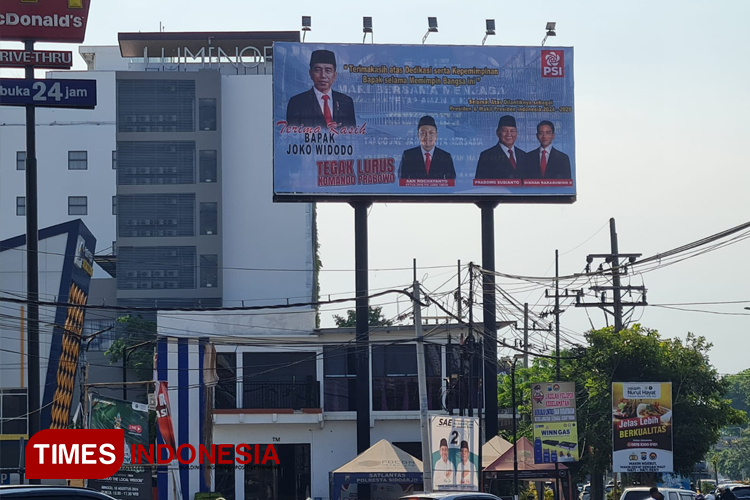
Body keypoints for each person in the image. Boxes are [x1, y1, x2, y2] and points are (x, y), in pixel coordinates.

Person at [286, 49, 356, 129]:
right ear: (310, 74)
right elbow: (292, 136)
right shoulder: (297, 102)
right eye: (318, 70)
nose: (323, 75)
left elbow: (352, 135)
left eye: (328, 70)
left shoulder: (346, 102)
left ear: (335, 75)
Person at [398, 116, 456, 181]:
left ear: (436, 135)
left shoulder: (446, 157)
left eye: (431, 133)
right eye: (423, 133)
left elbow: (451, 182)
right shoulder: (407, 155)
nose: (427, 136)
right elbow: (402, 181)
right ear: (418, 135)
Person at [474, 115, 528, 180]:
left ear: (516, 133)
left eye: (512, 131)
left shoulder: (524, 155)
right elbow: (480, 184)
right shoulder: (486, 155)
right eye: (505, 131)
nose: (509, 134)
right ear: (497, 133)